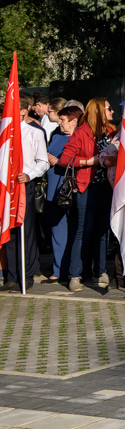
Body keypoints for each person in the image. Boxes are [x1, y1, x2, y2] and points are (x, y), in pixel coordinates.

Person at [59, 98, 117, 292]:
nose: (112, 112)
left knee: (102, 230)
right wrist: (89, 162)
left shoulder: (112, 131)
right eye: (109, 109)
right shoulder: (82, 132)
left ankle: (99, 272)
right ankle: (75, 275)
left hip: (106, 187)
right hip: (86, 186)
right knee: (83, 229)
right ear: (99, 111)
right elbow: (65, 159)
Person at [1, 98, 49, 292]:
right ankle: (11, 276)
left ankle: (26, 275)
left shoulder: (34, 132)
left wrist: (29, 174)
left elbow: (43, 162)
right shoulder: (3, 132)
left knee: (25, 229)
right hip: (6, 188)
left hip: (23, 186)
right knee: (8, 229)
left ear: (24, 110)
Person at [43, 104, 81, 283]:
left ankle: (74, 269)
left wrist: (59, 161)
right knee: (57, 231)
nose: (59, 122)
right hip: (53, 190)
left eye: (63, 120)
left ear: (74, 121)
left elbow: (80, 160)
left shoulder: (80, 137)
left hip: (71, 191)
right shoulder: (56, 136)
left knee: (74, 231)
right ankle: (58, 270)